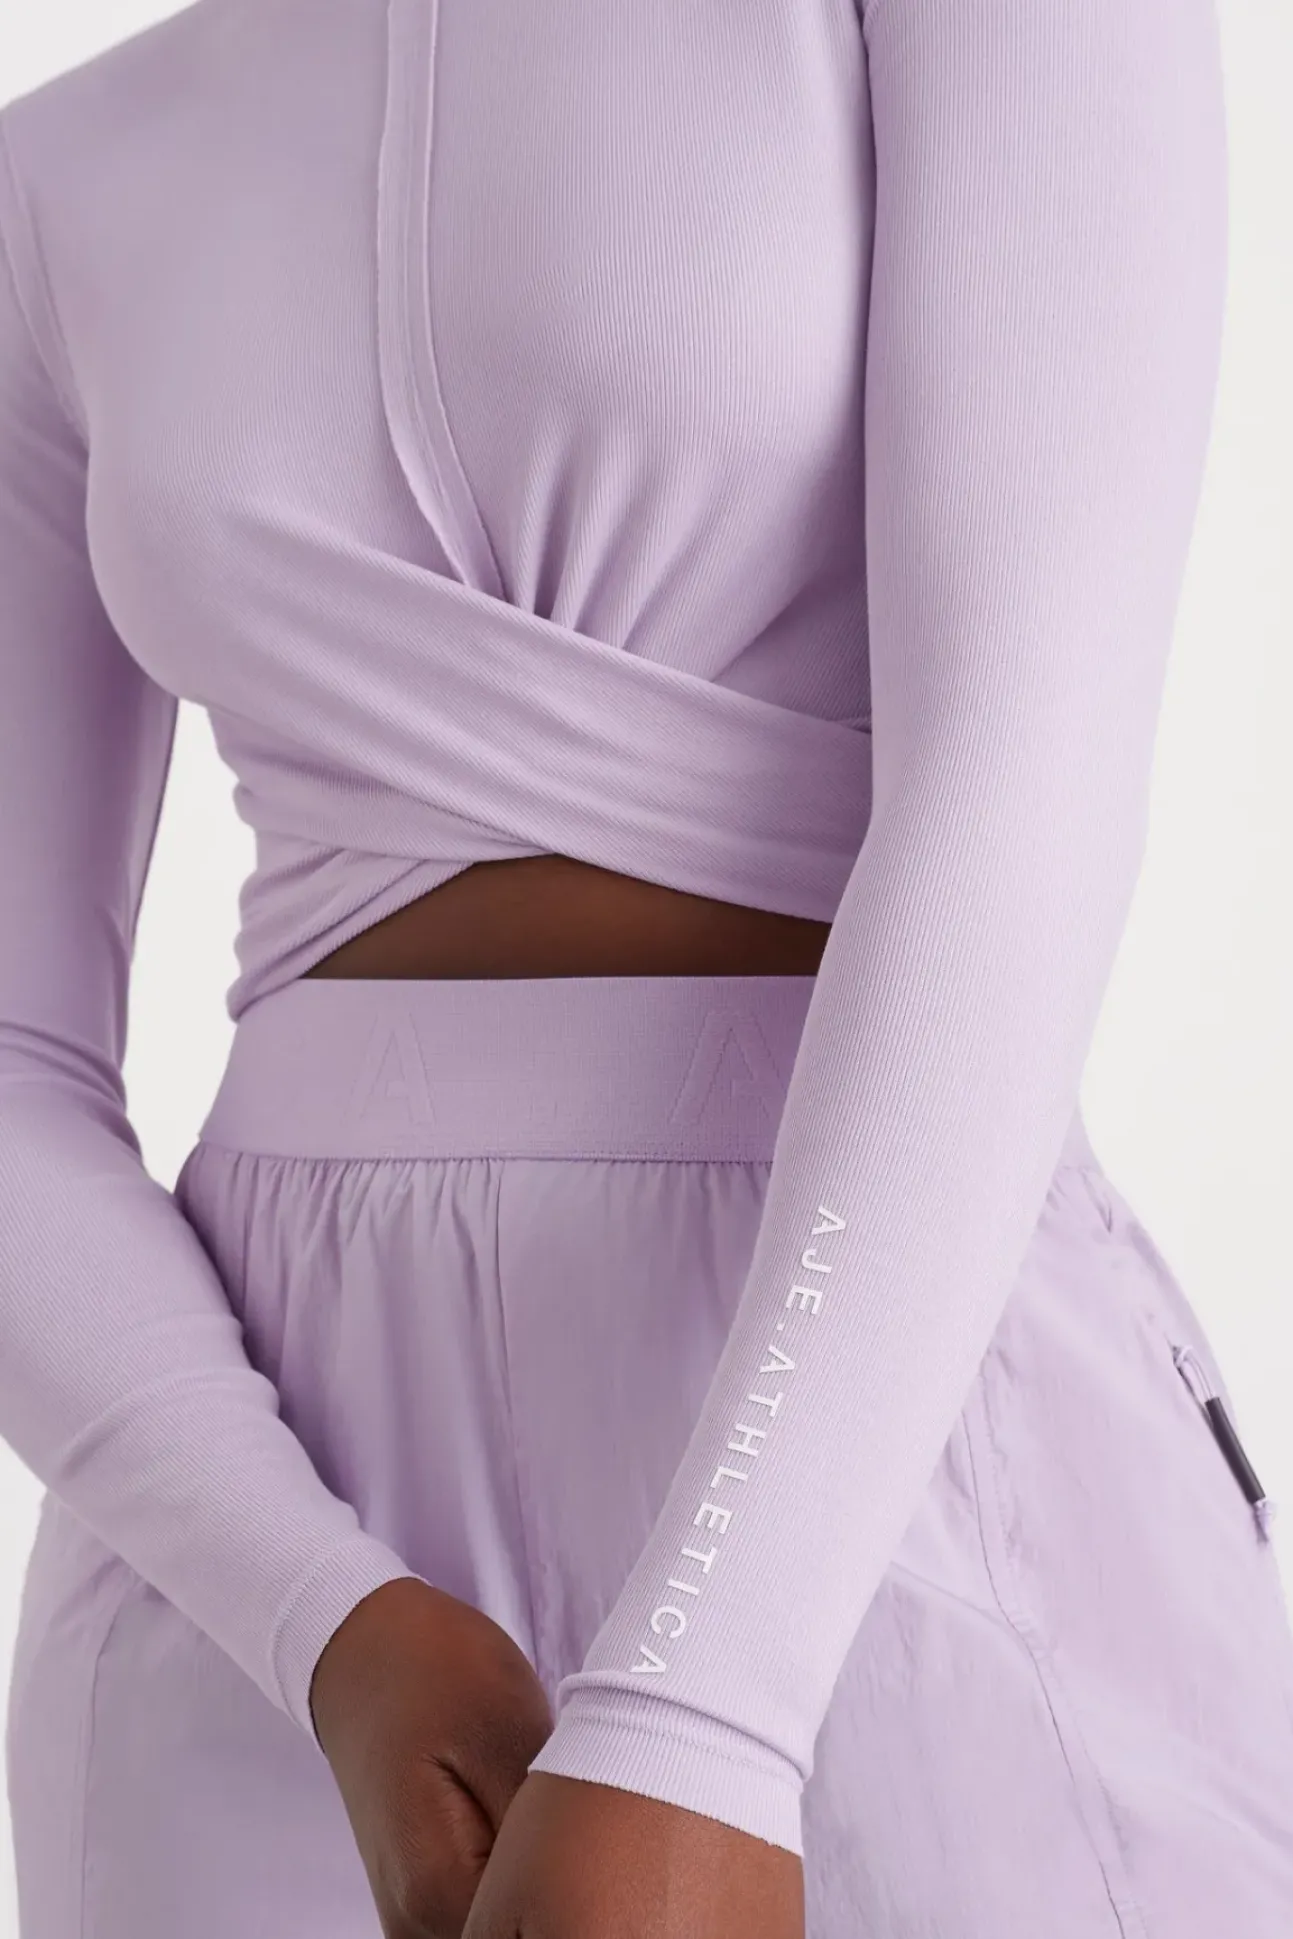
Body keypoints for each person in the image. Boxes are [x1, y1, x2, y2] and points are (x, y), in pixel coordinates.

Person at [1, 0, 1289, 1933]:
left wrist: (711, 1698)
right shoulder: (62, 176)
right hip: (252, 1536)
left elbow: (1023, 776)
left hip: (861, 1434)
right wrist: (318, 1611)